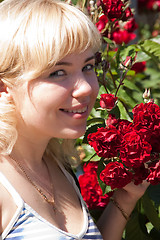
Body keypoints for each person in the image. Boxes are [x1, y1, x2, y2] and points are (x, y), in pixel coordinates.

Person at [0, 0, 149, 239]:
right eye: (58, 72)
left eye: (88, 66)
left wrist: (126, 198)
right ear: (4, 86)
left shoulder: (59, 166)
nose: (86, 88)